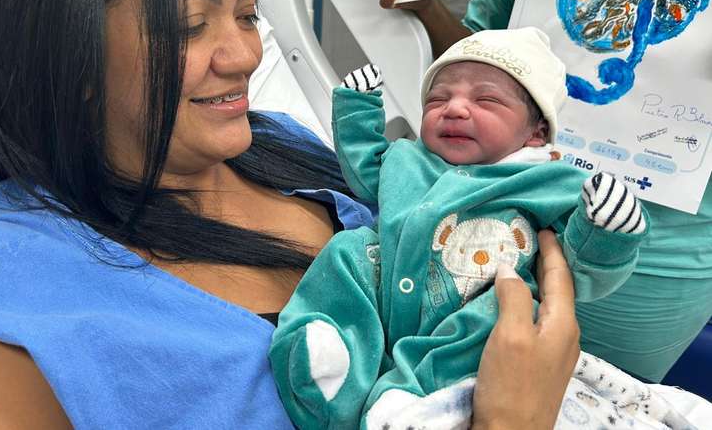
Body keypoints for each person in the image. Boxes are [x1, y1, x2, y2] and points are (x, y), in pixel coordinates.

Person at [0, 0, 582, 428]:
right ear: (68, 57)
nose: (246, 54)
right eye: (191, 25)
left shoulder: (279, 147)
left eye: (249, 14)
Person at [368, 0, 712, 382]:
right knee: (443, 384)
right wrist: (422, 4)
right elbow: (481, 62)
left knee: (609, 403)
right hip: (495, 214)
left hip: (660, 258)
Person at [268, 28, 683, 429]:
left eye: (485, 99)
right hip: (384, 288)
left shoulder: (550, 182)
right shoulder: (409, 159)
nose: (454, 108)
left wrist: (608, 232)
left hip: (475, 315)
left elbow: (580, 268)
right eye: (437, 98)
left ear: (536, 133)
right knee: (348, 252)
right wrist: (358, 107)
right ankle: (335, 374)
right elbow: (366, 168)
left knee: (503, 310)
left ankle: (409, 399)